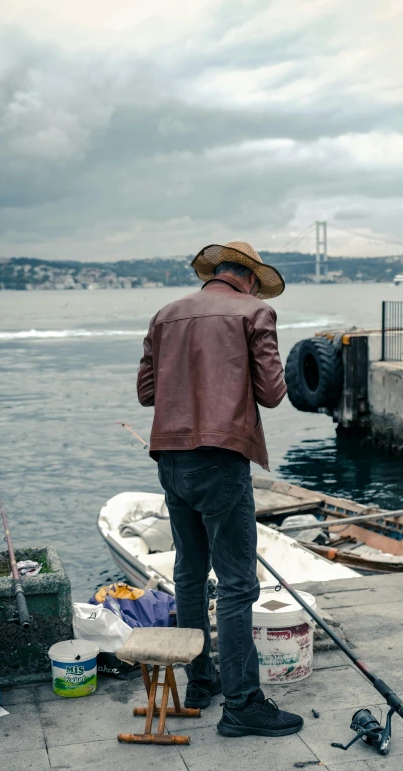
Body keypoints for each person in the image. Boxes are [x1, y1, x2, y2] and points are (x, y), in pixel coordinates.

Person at [137, 240, 303, 738]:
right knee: (236, 585)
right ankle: (243, 704)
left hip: (170, 458)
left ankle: (201, 682)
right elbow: (273, 394)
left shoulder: (165, 314)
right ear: (250, 277)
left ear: (216, 273)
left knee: (189, 575)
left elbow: (147, 393)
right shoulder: (256, 312)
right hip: (222, 459)